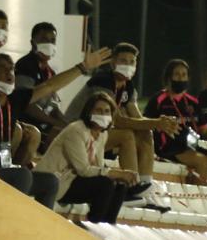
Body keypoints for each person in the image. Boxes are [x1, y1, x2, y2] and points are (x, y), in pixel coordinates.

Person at [0, 47, 104, 207]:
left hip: (1, 169)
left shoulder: (13, 100)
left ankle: (40, 228)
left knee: (50, 182)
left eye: (12, 69)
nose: (10, 72)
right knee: (23, 176)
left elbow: (49, 86)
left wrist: (82, 67)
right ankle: (10, 220)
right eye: (3, 68)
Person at [66, 42, 179, 206]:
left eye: (131, 62)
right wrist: (156, 123)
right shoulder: (103, 81)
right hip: (77, 134)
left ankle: (145, 186)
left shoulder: (128, 87)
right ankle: (128, 189)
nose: (128, 66)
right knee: (126, 135)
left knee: (145, 133)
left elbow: (138, 119)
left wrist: (160, 123)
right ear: (113, 63)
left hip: (96, 135)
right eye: (123, 61)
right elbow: (118, 120)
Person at [35, 90, 137, 222]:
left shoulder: (102, 134)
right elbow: (84, 169)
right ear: (89, 112)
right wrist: (117, 173)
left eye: (107, 111)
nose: (103, 114)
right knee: (105, 184)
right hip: (57, 182)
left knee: (120, 185)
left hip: (74, 180)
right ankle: (95, 223)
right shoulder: (76, 130)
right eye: (99, 110)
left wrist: (118, 176)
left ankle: (107, 225)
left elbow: (98, 166)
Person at [145, 59, 207, 186]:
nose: (181, 78)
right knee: (201, 161)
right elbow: (145, 123)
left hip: (193, 146)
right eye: (177, 74)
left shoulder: (193, 102)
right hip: (169, 148)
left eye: (184, 75)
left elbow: (205, 130)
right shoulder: (158, 100)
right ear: (169, 77)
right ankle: (198, 201)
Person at [13, 22, 70, 147]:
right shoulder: (25, 65)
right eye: (44, 39)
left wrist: (68, 124)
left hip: (45, 125)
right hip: (28, 126)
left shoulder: (50, 72)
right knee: (65, 136)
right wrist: (55, 122)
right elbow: (26, 104)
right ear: (33, 42)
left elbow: (53, 107)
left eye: (52, 40)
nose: (49, 44)